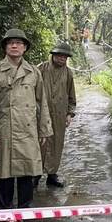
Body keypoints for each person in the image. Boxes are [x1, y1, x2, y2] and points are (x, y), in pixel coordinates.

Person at [0, 29, 53, 212]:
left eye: (19, 43)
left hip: (28, 128)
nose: (14, 46)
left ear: (25, 47)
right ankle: (5, 209)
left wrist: (43, 129)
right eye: (10, 42)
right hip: (6, 127)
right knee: (4, 170)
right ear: (5, 47)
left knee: (27, 169)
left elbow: (42, 102)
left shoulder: (33, 72)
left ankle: (25, 208)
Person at [33, 41, 77, 188]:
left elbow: (71, 96)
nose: (62, 59)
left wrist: (69, 113)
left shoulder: (68, 73)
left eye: (65, 56)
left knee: (57, 144)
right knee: (40, 143)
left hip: (60, 114)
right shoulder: (41, 69)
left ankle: (52, 174)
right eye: (59, 55)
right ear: (53, 55)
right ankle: (36, 174)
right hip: (41, 114)